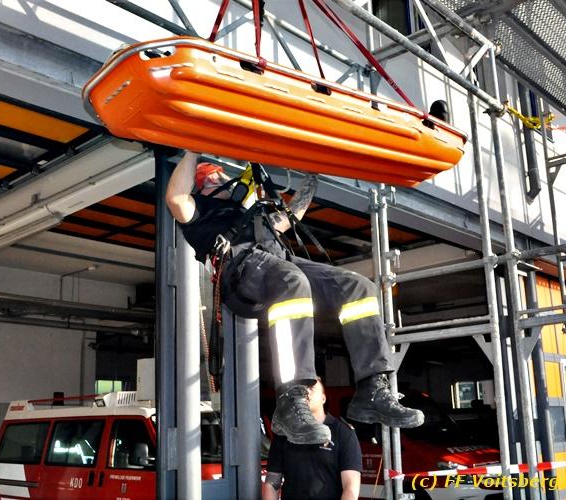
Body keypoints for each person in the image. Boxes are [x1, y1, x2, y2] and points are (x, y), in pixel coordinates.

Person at [165, 151, 424, 445]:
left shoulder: (254, 215)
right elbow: (175, 196)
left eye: (222, 175)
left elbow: (291, 216)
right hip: (241, 272)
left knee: (358, 287)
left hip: (281, 265)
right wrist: (192, 150)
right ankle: (291, 396)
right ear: (202, 188)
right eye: (213, 178)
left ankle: (371, 388)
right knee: (292, 281)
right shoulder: (199, 213)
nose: (222, 178)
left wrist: (312, 175)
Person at [262, 378, 361, 500]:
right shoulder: (284, 432)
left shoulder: (342, 432)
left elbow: (350, 488)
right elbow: (272, 483)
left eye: (311, 388)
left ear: (323, 398)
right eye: (301, 389)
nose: (306, 392)